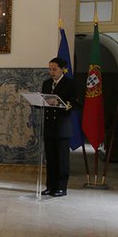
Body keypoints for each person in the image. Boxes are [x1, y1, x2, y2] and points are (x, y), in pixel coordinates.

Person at [41, 57, 77, 197]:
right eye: (50, 69)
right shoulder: (46, 83)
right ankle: (50, 186)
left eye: (54, 69)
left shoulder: (70, 84)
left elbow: (75, 103)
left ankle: (61, 187)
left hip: (62, 127)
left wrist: (60, 103)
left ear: (62, 69)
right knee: (50, 159)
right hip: (49, 126)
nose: (52, 72)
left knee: (61, 159)